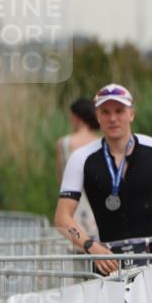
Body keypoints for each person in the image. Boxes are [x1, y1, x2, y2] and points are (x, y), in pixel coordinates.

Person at [54, 83, 152, 275]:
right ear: (97, 117)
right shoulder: (81, 158)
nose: (113, 118)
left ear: (131, 114)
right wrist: (91, 246)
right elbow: (62, 218)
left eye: (119, 111)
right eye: (105, 112)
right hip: (108, 257)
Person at [56, 98, 101, 237]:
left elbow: (61, 178)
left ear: (76, 117)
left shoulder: (64, 143)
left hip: (72, 202)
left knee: (75, 246)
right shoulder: (101, 142)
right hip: (97, 201)